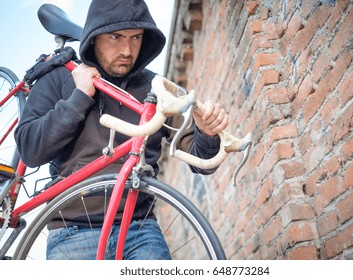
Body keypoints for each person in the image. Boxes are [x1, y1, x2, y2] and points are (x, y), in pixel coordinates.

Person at [14, 0, 228, 260]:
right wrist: (79, 96)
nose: (127, 49)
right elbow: (31, 150)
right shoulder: (61, 76)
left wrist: (207, 133)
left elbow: (202, 163)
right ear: (94, 37)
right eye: (115, 37)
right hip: (72, 229)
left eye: (136, 37)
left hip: (140, 228)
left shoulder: (154, 88)